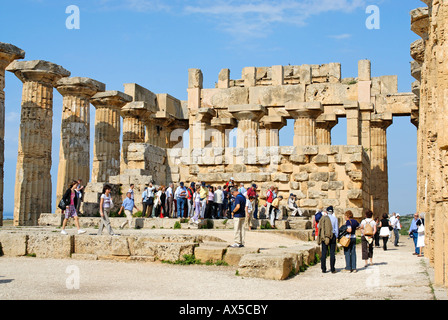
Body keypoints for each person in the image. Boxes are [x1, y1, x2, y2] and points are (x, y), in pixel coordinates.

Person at [318, 206, 337, 273]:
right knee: (332, 253)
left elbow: (318, 226)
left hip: (325, 236)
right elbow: (336, 229)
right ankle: (332, 268)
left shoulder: (323, 218)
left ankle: (323, 268)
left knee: (324, 252)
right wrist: (336, 237)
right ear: (332, 211)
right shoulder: (335, 219)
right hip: (332, 236)